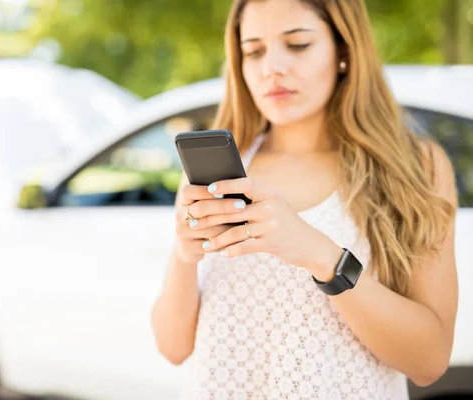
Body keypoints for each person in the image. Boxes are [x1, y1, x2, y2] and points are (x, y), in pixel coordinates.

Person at [151, 0, 459, 399]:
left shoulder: (416, 167)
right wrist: (184, 255)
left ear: (344, 51)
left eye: (297, 45)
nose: (272, 68)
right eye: (254, 51)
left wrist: (320, 255)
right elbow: (173, 348)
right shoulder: (218, 175)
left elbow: (429, 361)